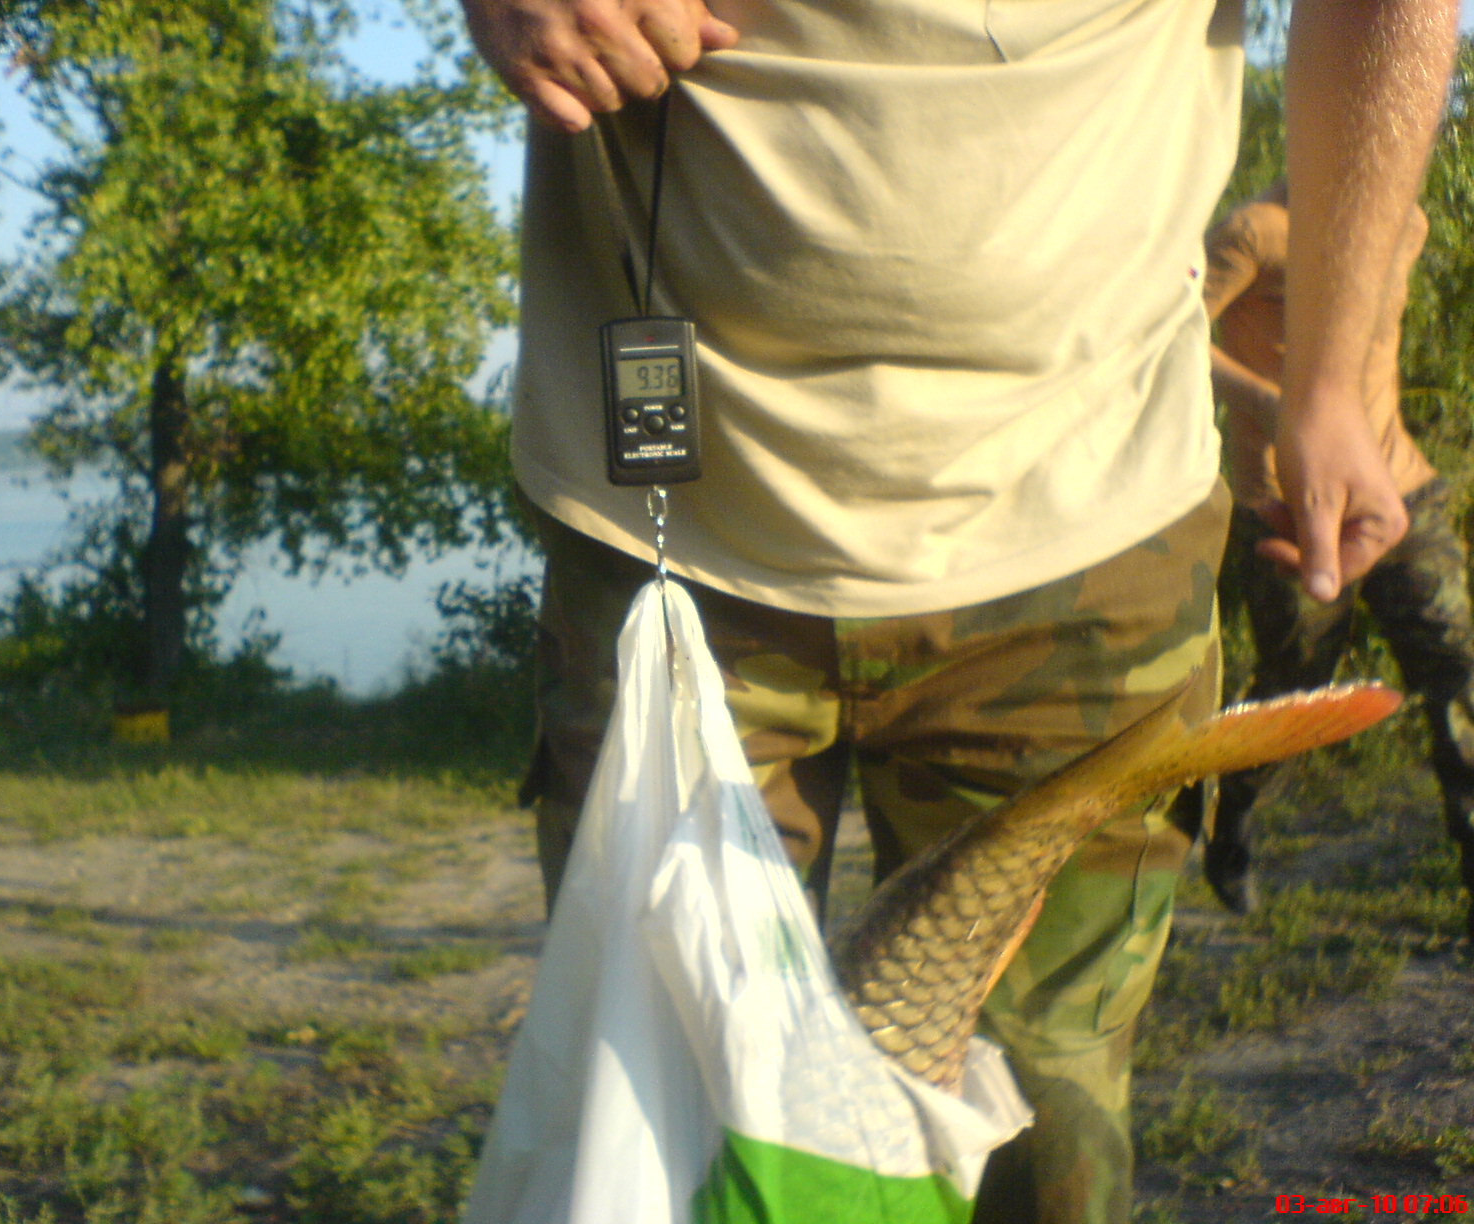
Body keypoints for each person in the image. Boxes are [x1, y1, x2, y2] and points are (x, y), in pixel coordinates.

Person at [454, 0, 1462, 1220]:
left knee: (1047, 1148)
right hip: (670, 544)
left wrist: (1334, 378)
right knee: (658, 1134)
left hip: (1091, 532)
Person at [1202, 182, 1474, 933]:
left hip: (1401, 494)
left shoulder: (1407, 223)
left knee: (1460, 673)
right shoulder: (1254, 232)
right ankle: (1228, 815)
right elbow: (1168, 337)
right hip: (1292, 505)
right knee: (1299, 688)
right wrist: (1272, 405)